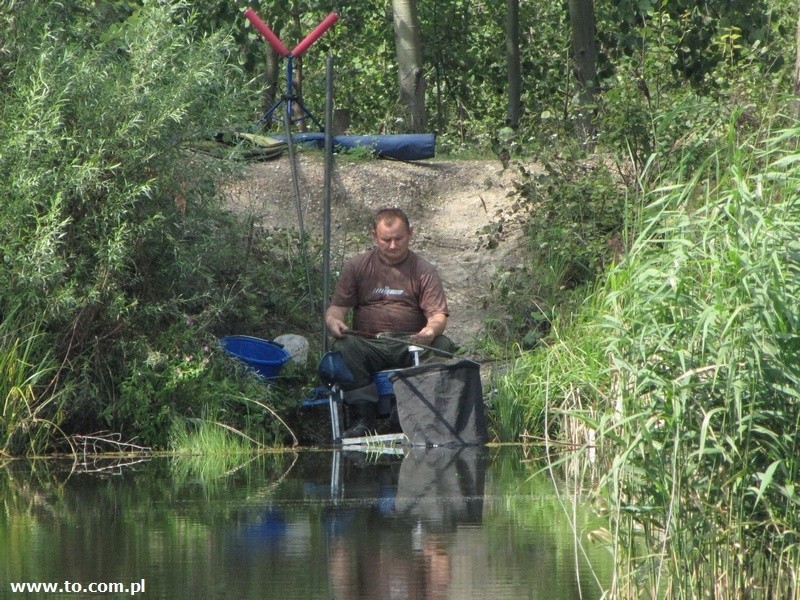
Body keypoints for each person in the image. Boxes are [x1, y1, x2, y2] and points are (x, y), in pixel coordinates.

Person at [325, 207, 456, 437]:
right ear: (375, 236)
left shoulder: (424, 270)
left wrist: (430, 331)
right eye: (386, 240)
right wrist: (334, 322)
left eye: (399, 239)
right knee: (343, 347)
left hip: (409, 343)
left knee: (442, 345)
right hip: (369, 344)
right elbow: (336, 311)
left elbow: (438, 316)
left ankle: (406, 411)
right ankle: (363, 416)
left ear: (410, 234)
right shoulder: (356, 267)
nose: (393, 246)